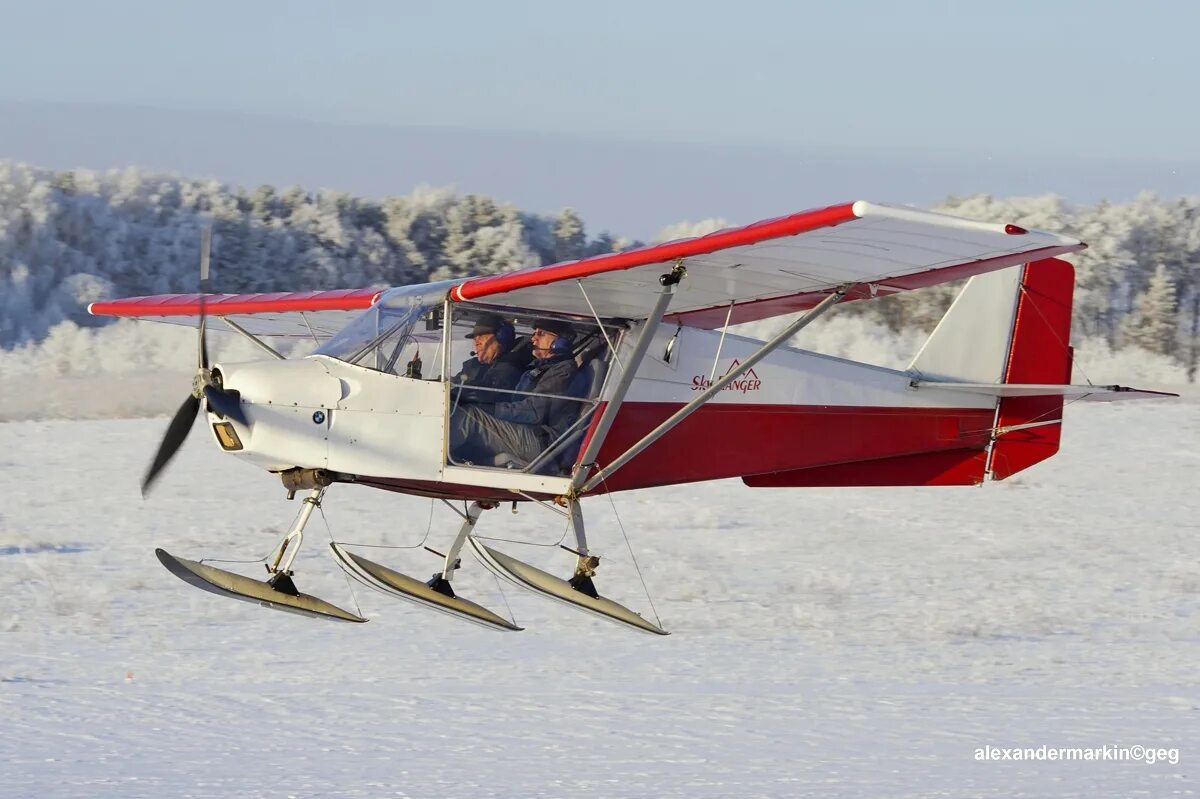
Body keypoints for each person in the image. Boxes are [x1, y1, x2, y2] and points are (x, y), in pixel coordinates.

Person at [449, 319, 583, 467]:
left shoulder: (563, 371)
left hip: (544, 443)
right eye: (534, 333)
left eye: (541, 334)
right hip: (530, 433)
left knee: (468, 416)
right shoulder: (539, 368)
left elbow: (534, 412)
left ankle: (434, 462)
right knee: (462, 409)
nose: (533, 338)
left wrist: (488, 409)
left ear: (560, 341)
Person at [450, 313, 527, 407]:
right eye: (475, 339)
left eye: (482, 337)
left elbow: (490, 393)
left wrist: (465, 386)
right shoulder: (471, 365)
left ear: (502, 337)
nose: (476, 343)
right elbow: (456, 384)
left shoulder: (512, 366)